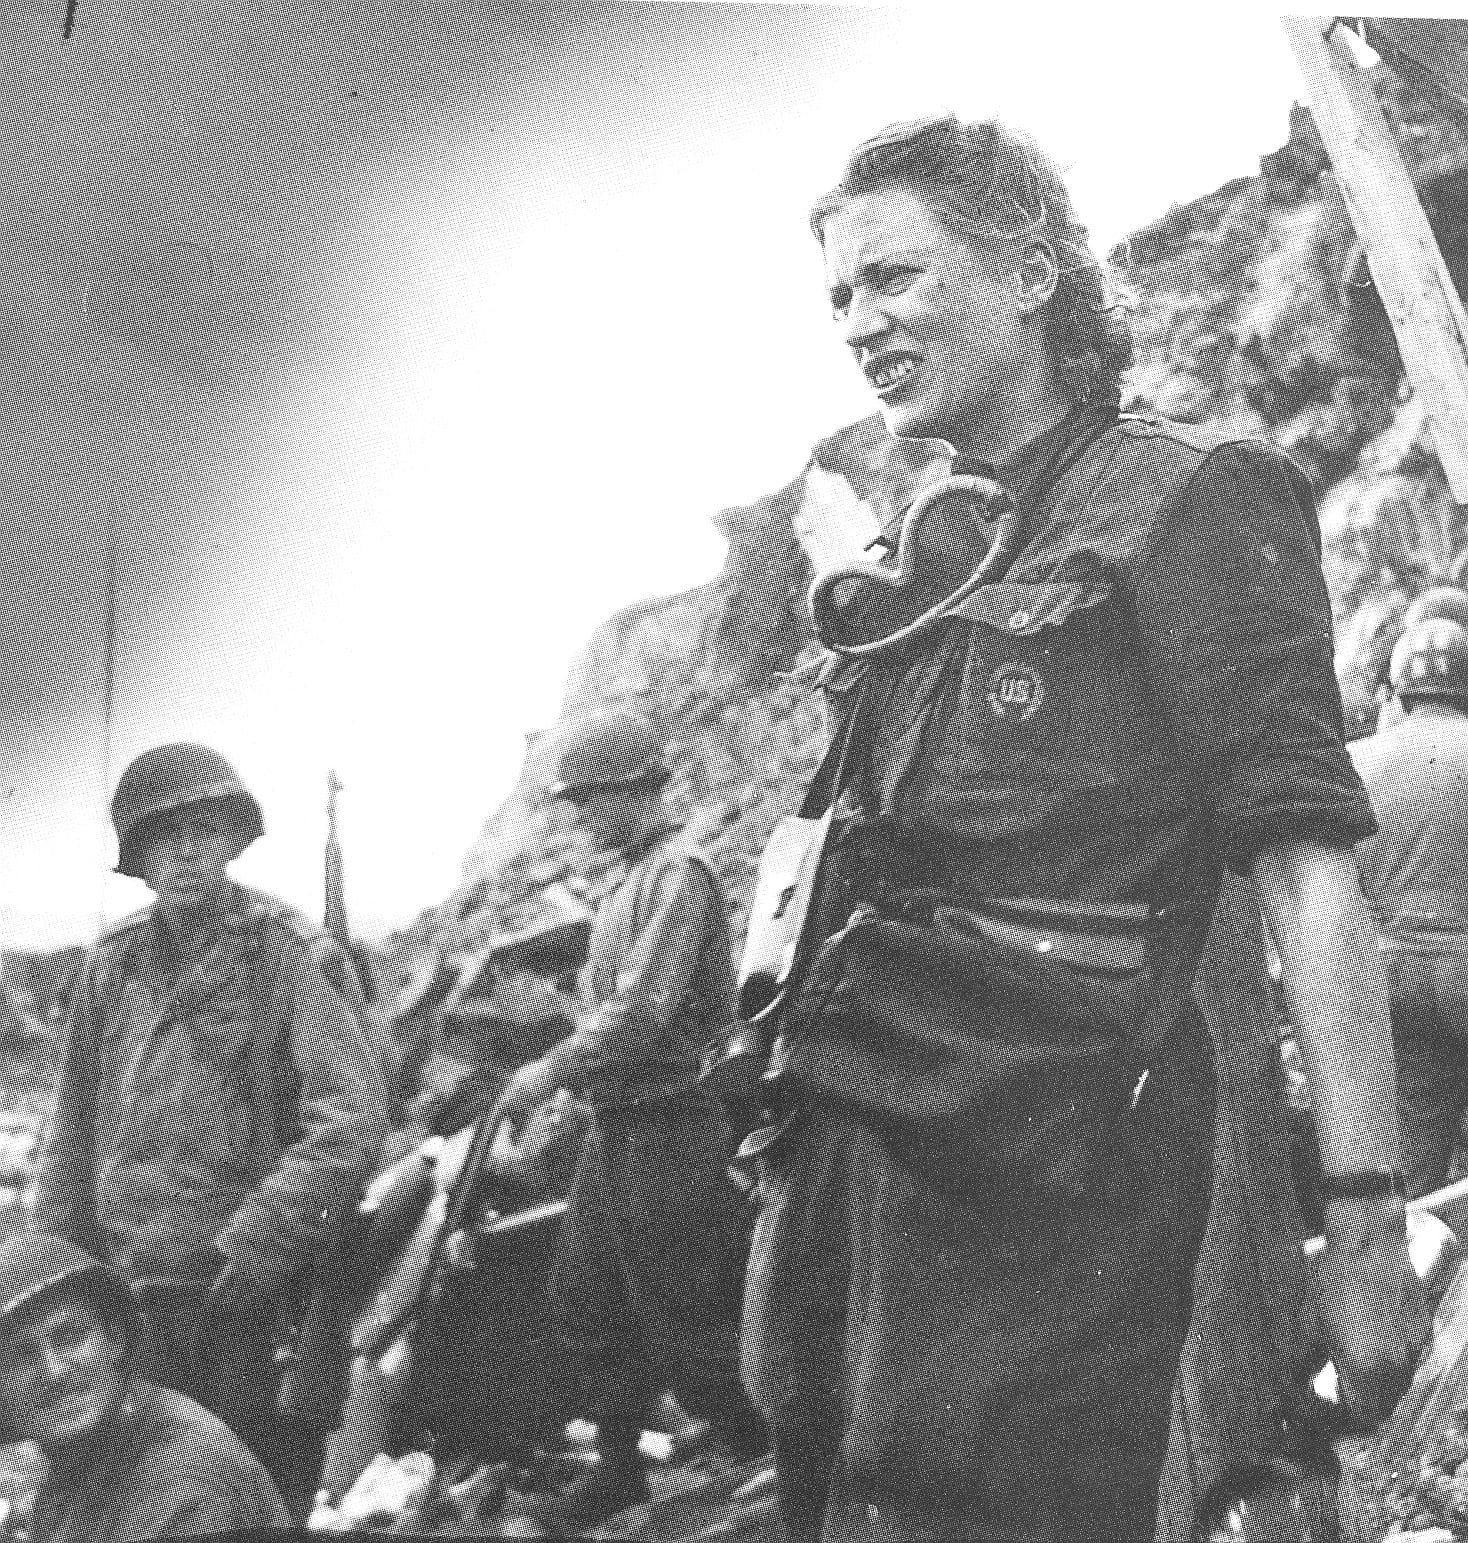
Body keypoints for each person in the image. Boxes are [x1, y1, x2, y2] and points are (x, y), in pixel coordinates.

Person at [740, 114, 1429, 1543]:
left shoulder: (1187, 495)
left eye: (897, 279)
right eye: (841, 298)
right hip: (860, 1159)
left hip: (1044, 1180)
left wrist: (1363, 1220)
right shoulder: (930, 552)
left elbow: (1309, 874)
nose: (862, 324)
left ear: (1035, 270)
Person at [33, 742, 389, 1512]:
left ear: (232, 838)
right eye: (166, 835)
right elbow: (71, 1131)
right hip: (134, 1296)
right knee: (144, 1496)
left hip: (250, 1293)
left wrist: (263, 1238)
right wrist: (49, 1277)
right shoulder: (112, 966)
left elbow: (352, 1120)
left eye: (204, 828)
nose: (188, 850)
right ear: (140, 856)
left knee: (259, 1487)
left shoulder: (287, 954)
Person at [490, 708, 766, 1533]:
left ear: (630, 791)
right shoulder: (628, 884)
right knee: (586, 1295)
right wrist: (559, 1020)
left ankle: (758, 1452)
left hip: (674, 1121)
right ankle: (618, 1471)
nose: (579, 818)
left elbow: (644, 1011)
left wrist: (549, 1067)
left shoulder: (679, 876)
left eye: (588, 802)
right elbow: (618, 1010)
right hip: (620, 1126)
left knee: (685, 1308)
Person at [0, 1231, 289, 1541]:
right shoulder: (90, 1444)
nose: (53, 1371)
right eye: (20, 1355)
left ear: (115, 1339)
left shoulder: (180, 1470)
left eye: (71, 1337)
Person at [1352, 617, 1468, 1197]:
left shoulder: (1360, 763)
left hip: (1389, 974)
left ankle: (1418, 1267)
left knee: (1416, 1163)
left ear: (1399, 688)